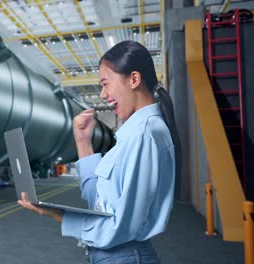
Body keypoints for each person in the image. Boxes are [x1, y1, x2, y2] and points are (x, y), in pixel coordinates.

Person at [18, 40, 180, 264]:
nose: (103, 94)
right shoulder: (133, 134)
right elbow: (98, 201)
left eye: (106, 84)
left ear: (134, 79)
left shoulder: (144, 134)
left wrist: (59, 215)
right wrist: (83, 141)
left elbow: (121, 226)